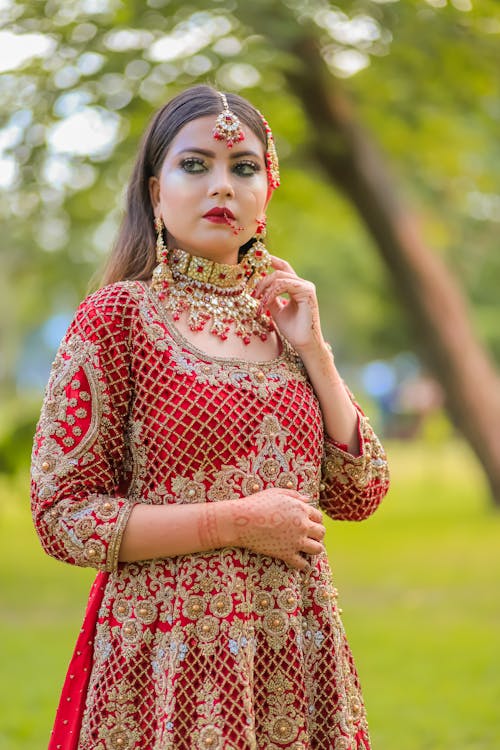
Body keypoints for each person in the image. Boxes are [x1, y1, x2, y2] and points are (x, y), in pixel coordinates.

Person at [31, 84, 390, 750]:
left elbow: (360, 492)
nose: (221, 185)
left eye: (243, 167)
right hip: (164, 661)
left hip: (293, 653)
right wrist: (234, 522)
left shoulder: (285, 326)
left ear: (266, 194)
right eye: (194, 165)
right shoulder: (119, 319)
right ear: (154, 192)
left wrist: (314, 348)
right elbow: (63, 516)